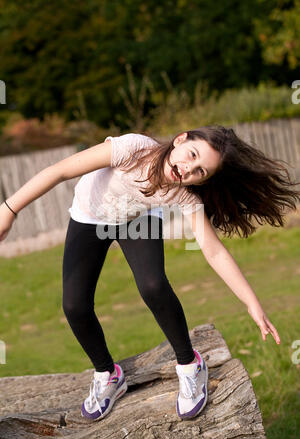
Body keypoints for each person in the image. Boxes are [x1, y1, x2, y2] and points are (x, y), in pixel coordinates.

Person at [0, 127, 299, 422]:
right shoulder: (131, 149)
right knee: (74, 305)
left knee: (153, 285)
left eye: (200, 172)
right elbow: (59, 171)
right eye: (191, 155)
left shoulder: (183, 194)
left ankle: (190, 364)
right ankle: (108, 374)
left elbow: (213, 250)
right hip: (90, 215)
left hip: (136, 219)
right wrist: (9, 209)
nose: (188, 169)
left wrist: (251, 303)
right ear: (180, 139)